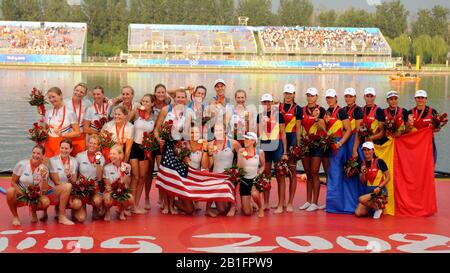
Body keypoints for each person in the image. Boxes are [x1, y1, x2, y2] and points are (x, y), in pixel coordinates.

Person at [154, 89, 187, 214]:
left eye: (182, 97)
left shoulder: (188, 112)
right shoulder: (166, 110)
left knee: (177, 175)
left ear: (185, 99)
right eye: (178, 97)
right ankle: (167, 205)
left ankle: (173, 205)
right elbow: (156, 129)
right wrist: (159, 139)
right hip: (168, 145)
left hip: (181, 145)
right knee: (168, 175)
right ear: (174, 98)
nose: (180, 99)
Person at [322, 89, 354, 214]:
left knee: (335, 173)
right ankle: (331, 204)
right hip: (329, 144)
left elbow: (349, 130)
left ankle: (337, 206)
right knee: (331, 174)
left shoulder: (341, 112)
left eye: (331, 98)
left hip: (338, 145)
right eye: (327, 98)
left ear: (336, 98)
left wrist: (340, 143)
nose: (329, 100)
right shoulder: (326, 112)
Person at [256, 93, 288, 213]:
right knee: (266, 175)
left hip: (277, 146)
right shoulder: (259, 116)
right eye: (264, 102)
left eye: (269, 102)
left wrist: (285, 152)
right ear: (262, 103)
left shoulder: (279, 115)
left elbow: (283, 133)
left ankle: (280, 204)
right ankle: (266, 203)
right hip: (265, 146)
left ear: (272, 102)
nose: (267, 104)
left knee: (280, 175)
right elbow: (258, 134)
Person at [6, 145, 50, 226]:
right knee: (10, 191)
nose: (35, 155)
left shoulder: (44, 169)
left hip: (36, 195)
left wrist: (43, 178)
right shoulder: (21, 164)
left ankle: (33, 211)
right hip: (21, 192)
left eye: (38, 153)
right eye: (34, 153)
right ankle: (15, 217)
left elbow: (44, 190)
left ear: (43, 156)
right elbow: (13, 182)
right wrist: (25, 195)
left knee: (46, 202)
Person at [299, 87, 327, 212]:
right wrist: (299, 142)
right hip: (306, 144)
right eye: (308, 95)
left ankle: (315, 202)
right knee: (308, 173)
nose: (310, 98)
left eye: (312, 96)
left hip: (317, 144)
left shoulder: (321, 110)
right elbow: (299, 127)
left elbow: (323, 128)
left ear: (316, 97)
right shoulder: (302, 110)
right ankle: (308, 201)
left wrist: (316, 118)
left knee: (315, 172)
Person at [206, 122, 241, 217]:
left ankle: (233, 206)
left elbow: (242, 155)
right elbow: (209, 164)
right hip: (216, 175)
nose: (218, 132)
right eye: (216, 130)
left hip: (229, 175)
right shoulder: (210, 144)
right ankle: (207, 209)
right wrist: (209, 154)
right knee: (222, 210)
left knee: (231, 182)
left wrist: (236, 169)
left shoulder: (233, 143)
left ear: (225, 131)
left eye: (220, 130)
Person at [129, 94, 156, 214]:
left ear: (152, 104)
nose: (144, 103)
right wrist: (135, 109)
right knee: (134, 177)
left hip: (146, 149)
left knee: (142, 178)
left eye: (147, 101)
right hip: (134, 146)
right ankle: (129, 204)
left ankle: (136, 205)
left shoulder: (155, 116)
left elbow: (155, 132)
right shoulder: (136, 112)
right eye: (143, 100)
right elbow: (126, 120)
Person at [278, 84, 302, 212]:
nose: (288, 96)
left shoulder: (298, 109)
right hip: (280, 139)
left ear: (293, 94)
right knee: (280, 171)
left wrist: (297, 145)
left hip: (292, 138)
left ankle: (290, 202)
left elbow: (298, 128)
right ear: (283, 94)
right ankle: (280, 202)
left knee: (292, 171)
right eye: (286, 93)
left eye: (290, 93)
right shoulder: (278, 107)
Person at [46, 139, 81, 225]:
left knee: (77, 204)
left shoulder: (74, 161)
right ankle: (62, 216)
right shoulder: (52, 160)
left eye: (66, 148)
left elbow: (74, 181)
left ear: (71, 149)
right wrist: (68, 188)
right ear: (59, 148)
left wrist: (69, 175)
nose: (64, 150)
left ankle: (62, 209)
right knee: (68, 186)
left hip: (67, 190)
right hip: (53, 191)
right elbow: (56, 182)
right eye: (62, 148)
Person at [355, 142, 390, 220]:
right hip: (369, 194)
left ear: (373, 150)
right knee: (358, 213)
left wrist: (379, 187)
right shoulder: (362, 164)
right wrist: (363, 173)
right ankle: (374, 206)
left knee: (361, 199)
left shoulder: (380, 161)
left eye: (368, 150)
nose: (366, 152)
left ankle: (378, 208)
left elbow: (388, 177)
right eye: (364, 150)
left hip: (379, 192)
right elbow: (363, 182)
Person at [44, 87, 81, 158]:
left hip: (62, 145)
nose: (51, 100)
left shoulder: (70, 113)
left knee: (58, 167)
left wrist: (63, 135)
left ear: (61, 95)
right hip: (48, 144)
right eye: (49, 98)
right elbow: (45, 129)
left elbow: (77, 133)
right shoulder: (48, 112)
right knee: (46, 167)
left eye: (53, 97)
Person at [75, 135, 105, 222]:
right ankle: (77, 209)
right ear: (87, 143)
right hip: (82, 188)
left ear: (98, 146)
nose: (92, 145)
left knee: (98, 201)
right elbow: (76, 174)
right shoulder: (79, 156)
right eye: (90, 143)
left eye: (95, 144)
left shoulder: (101, 157)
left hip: (94, 187)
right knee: (81, 218)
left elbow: (99, 177)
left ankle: (95, 209)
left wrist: (98, 162)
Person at [236, 132, 265, 217]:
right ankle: (250, 203)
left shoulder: (260, 152)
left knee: (254, 194)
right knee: (247, 212)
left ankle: (260, 208)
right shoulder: (241, 151)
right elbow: (239, 167)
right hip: (244, 180)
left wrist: (258, 175)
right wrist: (241, 157)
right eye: (245, 138)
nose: (245, 140)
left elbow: (263, 165)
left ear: (253, 141)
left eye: (247, 139)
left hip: (254, 179)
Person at [407, 90, 441, 162]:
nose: (420, 100)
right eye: (418, 98)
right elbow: (407, 130)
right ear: (415, 99)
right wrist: (409, 125)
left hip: (428, 142)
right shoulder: (410, 112)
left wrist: (436, 127)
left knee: (430, 162)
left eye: (422, 98)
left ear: (426, 99)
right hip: (415, 142)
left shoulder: (433, 112)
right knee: (415, 163)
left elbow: (438, 129)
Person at [103, 145, 134, 221]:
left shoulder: (127, 166)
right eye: (110, 154)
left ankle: (121, 211)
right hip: (111, 191)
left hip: (121, 191)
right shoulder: (106, 168)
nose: (111, 156)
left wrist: (125, 173)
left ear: (120, 155)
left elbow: (127, 183)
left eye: (114, 154)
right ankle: (107, 212)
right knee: (107, 198)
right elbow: (107, 185)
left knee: (130, 198)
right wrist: (113, 192)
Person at [64, 83, 92, 156]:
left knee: (79, 157)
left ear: (85, 94)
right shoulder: (65, 103)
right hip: (68, 134)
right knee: (66, 157)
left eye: (82, 92)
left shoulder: (88, 104)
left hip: (81, 135)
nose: (78, 93)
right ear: (74, 90)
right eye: (77, 90)